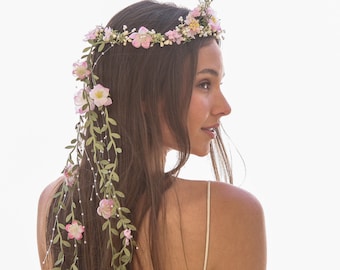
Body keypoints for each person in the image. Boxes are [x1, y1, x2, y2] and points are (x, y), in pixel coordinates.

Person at [37, 0, 267, 269]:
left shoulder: (56, 200)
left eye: (219, 84)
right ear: (145, 93)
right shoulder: (228, 211)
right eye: (204, 84)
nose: (224, 107)